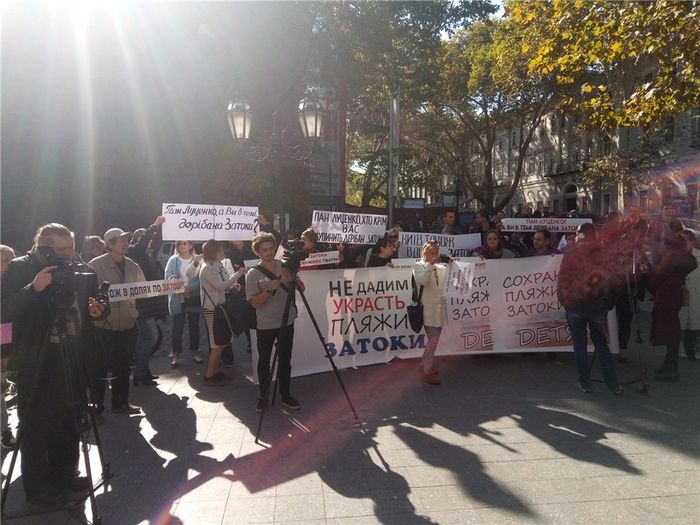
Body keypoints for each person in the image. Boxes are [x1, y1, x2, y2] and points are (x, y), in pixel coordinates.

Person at [1, 224, 107, 507]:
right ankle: (37, 489)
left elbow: (94, 302)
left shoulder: (78, 267)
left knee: (70, 419)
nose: (70, 254)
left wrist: (99, 309)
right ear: (44, 248)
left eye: (71, 247)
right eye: (62, 250)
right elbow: (4, 309)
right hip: (38, 360)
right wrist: (33, 289)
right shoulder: (20, 268)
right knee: (37, 425)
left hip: (72, 353)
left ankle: (65, 475)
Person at [557, 223, 622, 394]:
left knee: (580, 345)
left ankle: (585, 382)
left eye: (577, 233)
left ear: (580, 234)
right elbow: (613, 281)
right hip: (597, 306)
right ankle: (613, 384)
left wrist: (565, 301)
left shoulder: (572, 253)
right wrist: (608, 303)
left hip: (576, 306)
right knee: (601, 345)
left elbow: (563, 278)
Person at [246, 232, 305, 412]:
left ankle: (285, 395)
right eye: (264, 250)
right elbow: (253, 304)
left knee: (285, 359)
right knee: (264, 361)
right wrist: (267, 290)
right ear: (258, 252)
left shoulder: (285, 265)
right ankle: (263, 396)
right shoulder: (252, 273)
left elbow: (302, 288)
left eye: (271, 248)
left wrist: (294, 279)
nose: (269, 252)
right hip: (266, 324)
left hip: (287, 320)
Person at [89, 227, 145, 416]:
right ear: (110, 244)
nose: (126, 243)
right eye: (121, 240)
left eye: (127, 240)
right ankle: (96, 408)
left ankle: (121, 403)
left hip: (128, 325)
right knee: (100, 368)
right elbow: (88, 294)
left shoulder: (132, 265)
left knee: (123, 366)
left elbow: (143, 288)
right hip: (104, 326)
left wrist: (168, 283)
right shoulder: (95, 265)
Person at [651, 233, 698, 382]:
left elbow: (656, 280)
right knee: (672, 332)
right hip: (673, 297)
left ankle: (671, 367)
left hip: (667, 298)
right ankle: (670, 364)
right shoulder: (681, 260)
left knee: (671, 333)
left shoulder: (671, 261)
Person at [199, 240, 246, 386]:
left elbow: (225, 281)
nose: (223, 252)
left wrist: (233, 285)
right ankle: (209, 375)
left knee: (222, 341)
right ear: (212, 252)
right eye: (220, 250)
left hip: (220, 306)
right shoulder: (207, 268)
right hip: (212, 309)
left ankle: (215, 372)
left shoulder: (218, 264)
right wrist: (238, 274)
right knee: (217, 344)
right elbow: (220, 286)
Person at [128, 216, 167, 384]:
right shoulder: (136, 251)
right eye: (148, 238)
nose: (151, 240)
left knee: (144, 338)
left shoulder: (147, 255)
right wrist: (155, 226)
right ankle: (140, 373)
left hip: (149, 302)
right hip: (142, 303)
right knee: (149, 338)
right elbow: (142, 243)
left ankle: (142, 370)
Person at [412, 241, 449, 385]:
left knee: (435, 340)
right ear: (424, 252)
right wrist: (430, 265)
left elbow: (448, 281)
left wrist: (452, 265)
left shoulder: (440, 267)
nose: (433, 255)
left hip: (439, 308)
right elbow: (422, 280)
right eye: (430, 252)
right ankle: (426, 371)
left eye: (435, 252)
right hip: (427, 309)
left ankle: (425, 365)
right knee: (433, 339)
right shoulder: (418, 266)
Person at [164, 241, 203, 370]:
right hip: (178, 297)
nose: (181, 246)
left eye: (184, 243)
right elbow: (168, 277)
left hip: (193, 296)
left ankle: (195, 352)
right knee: (177, 327)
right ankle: (176, 355)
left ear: (190, 245)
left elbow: (201, 278)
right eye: (179, 244)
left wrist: (190, 289)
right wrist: (182, 290)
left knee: (194, 326)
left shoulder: (197, 259)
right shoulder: (173, 260)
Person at [0, 245, 17, 450]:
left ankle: (4, 430)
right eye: (7, 261)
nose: (11, 265)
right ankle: (4, 430)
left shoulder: (12, 285)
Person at [679, 230, 700, 362]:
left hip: (696, 294)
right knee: (680, 324)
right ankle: (676, 351)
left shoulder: (698, 256)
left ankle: (690, 351)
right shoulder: (675, 256)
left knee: (694, 325)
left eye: (685, 240)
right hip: (679, 294)